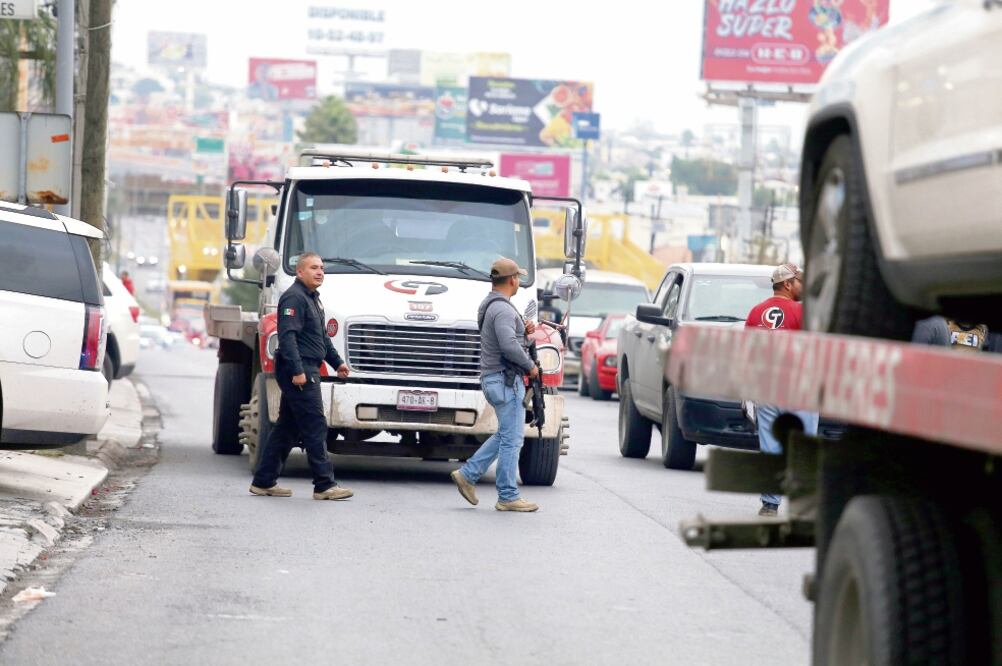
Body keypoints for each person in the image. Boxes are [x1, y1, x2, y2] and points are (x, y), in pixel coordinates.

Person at [250, 253, 353, 501]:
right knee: (315, 424)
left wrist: (337, 363)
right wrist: (297, 371)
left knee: (287, 427)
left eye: (322, 268)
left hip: (307, 367)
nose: (320, 272)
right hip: (300, 369)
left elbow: (321, 338)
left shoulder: (312, 298)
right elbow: (287, 337)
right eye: (313, 268)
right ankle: (324, 485)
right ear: (300, 272)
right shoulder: (294, 297)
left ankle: (263, 481)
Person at [450, 257, 540, 512]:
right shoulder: (503, 310)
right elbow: (508, 346)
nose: (519, 282)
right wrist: (530, 366)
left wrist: (525, 334)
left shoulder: (494, 306)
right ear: (512, 280)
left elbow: (511, 340)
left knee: (506, 435)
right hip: (505, 380)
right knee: (513, 440)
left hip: (497, 379)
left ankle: (468, 475)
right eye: (518, 278)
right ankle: (508, 496)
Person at [745, 263, 819, 517]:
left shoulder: (756, 312)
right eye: (799, 281)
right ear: (787, 284)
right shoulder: (802, 312)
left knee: (770, 444)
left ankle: (770, 504)